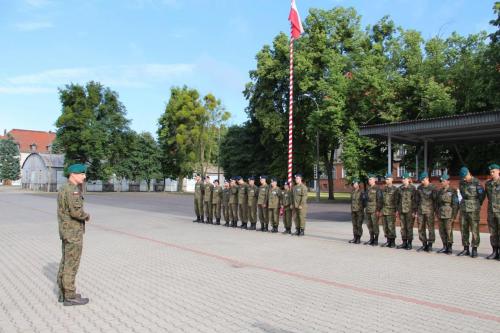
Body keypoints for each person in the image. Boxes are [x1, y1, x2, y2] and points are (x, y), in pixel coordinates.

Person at [57, 163, 90, 306]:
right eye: (82, 174)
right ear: (73, 175)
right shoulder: (72, 191)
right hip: (73, 232)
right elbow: (76, 212)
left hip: (66, 231)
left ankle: (63, 293)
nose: (84, 176)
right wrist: (86, 216)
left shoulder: (64, 188)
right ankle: (70, 296)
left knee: (65, 261)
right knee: (72, 263)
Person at [457, 167, 485, 258]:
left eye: (465, 176)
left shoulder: (476, 182)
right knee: (463, 228)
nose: (464, 178)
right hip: (464, 208)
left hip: (473, 208)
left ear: (469, 173)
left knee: (474, 229)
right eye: (462, 177)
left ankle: (474, 249)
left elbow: (481, 195)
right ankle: (466, 248)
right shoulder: (462, 183)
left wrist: (477, 204)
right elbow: (461, 193)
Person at [436, 173, 459, 254]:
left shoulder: (453, 191)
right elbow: (437, 203)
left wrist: (454, 216)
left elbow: (455, 204)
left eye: (443, 181)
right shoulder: (440, 191)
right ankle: (444, 246)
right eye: (441, 181)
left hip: (449, 214)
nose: (442, 182)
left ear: (448, 181)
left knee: (448, 231)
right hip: (441, 213)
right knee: (441, 231)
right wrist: (437, 213)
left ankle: (449, 247)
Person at [415, 172, 437, 252]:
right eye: (421, 180)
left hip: (429, 211)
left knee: (430, 228)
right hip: (420, 210)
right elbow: (416, 200)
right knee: (421, 228)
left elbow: (436, 201)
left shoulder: (433, 188)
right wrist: (416, 211)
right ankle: (424, 244)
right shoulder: (419, 188)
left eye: (423, 180)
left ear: (427, 178)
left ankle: (430, 244)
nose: (422, 182)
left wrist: (435, 211)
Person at [396, 173, 416, 250]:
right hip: (401, 210)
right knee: (403, 227)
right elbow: (397, 200)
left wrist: (414, 211)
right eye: (402, 179)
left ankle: (409, 243)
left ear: (408, 179)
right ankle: (404, 242)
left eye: (405, 179)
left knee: (409, 227)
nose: (403, 180)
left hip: (409, 211)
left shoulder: (413, 188)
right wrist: (397, 210)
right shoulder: (400, 188)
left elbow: (415, 200)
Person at [485, 163, 500, 260]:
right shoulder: (488, 184)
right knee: (493, 232)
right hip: (491, 211)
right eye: (490, 172)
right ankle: (494, 252)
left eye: (493, 171)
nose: (491, 173)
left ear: (498, 171)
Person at [364, 174, 382, 245]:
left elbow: (379, 200)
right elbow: (366, 199)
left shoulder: (377, 188)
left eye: (370, 179)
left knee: (375, 225)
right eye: (369, 179)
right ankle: (371, 239)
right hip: (368, 209)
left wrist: (378, 210)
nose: (369, 181)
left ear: (374, 180)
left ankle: (376, 240)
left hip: (374, 210)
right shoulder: (368, 188)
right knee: (369, 225)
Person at [381, 173, 397, 248]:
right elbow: (381, 200)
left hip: (391, 210)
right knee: (385, 226)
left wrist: (396, 211)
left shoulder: (395, 189)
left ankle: (392, 242)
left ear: (392, 179)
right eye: (386, 179)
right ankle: (388, 241)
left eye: (388, 179)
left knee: (391, 226)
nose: (386, 180)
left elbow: (397, 201)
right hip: (384, 210)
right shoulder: (383, 189)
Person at [349, 178, 365, 244]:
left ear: (358, 184)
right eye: (353, 184)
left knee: (359, 225)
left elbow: (364, 202)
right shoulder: (352, 192)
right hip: (353, 210)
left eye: (355, 183)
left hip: (359, 211)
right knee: (354, 224)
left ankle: (358, 238)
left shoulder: (362, 192)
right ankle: (355, 237)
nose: (354, 185)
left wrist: (361, 208)